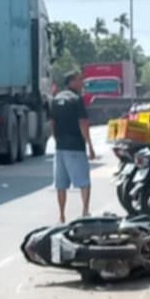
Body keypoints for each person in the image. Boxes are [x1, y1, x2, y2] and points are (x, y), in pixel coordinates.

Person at [50, 69, 96, 222]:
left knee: (61, 184)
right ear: (71, 82)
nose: (82, 83)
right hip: (75, 146)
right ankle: (85, 211)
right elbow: (83, 123)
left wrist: (57, 140)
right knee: (84, 182)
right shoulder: (76, 99)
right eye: (79, 80)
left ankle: (61, 215)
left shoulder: (56, 99)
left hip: (60, 148)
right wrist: (90, 145)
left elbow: (52, 123)